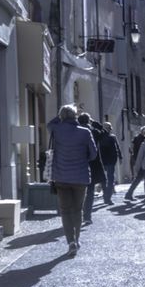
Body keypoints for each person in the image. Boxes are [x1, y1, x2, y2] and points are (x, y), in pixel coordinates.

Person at [48, 105, 98, 254]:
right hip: (80, 176)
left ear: (62, 116)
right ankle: (76, 239)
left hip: (61, 177)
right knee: (77, 209)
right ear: (75, 116)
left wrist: (61, 116)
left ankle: (70, 241)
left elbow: (50, 124)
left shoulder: (56, 129)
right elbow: (93, 154)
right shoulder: (85, 132)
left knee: (65, 210)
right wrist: (83, 159)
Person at [77, 113, 107, 225]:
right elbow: (105, 134)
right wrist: (95, 123)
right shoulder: (94, 131)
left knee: (77, 192)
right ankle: (87, 216)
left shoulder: (76, 131)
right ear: (88, 121)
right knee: (89, 192)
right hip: (92, 164)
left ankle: (77, 215)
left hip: (78, 164)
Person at [124, 128, 145, 202]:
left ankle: (129, 194)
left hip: (144, 165)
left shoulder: (143, 144)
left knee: (138, 180)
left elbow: (139, 157)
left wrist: (137, 167)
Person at [99, 122, 122, 205]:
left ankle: (107, 197)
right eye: (108, 128)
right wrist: (120, 156)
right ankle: (107, 197)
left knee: (108, 179)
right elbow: (117, 148)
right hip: (107, 160)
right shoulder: (105, 137)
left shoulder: (109, 137)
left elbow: (117, 147)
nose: (109, 129)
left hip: (108, 160)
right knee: (109, 179)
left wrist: (120, 156)